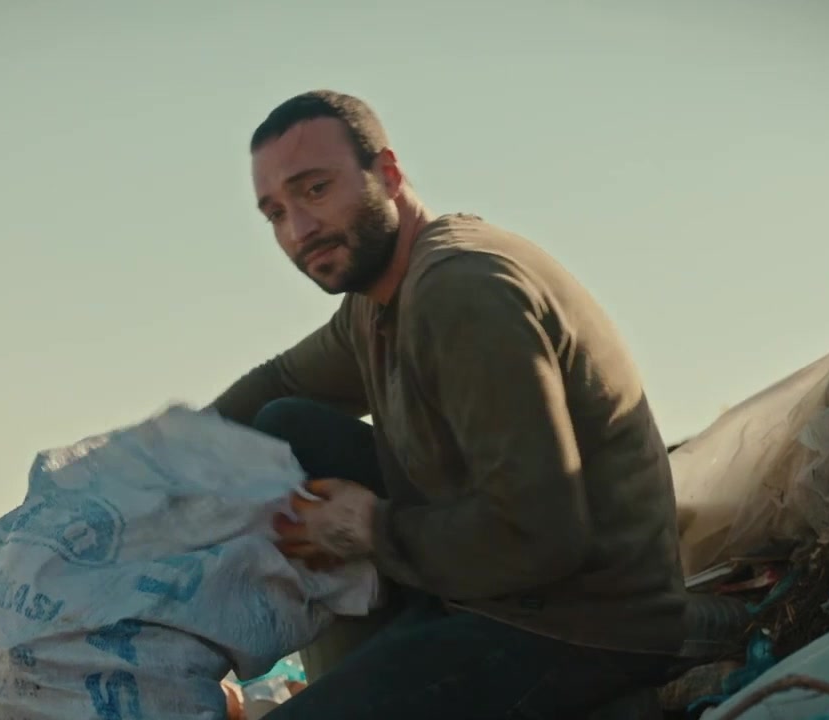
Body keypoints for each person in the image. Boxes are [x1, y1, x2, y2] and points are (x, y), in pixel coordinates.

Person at [209, 90, 689, 719]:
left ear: (388, 173)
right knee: (283, 425)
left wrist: (369, 528)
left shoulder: (463, 290)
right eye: (275, 213)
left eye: (316, 190)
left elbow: (541, 538)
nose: (299, 230)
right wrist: (132, 469)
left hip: (582, 625)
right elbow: (279, 382)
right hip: (485, 590)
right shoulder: (377, 300)